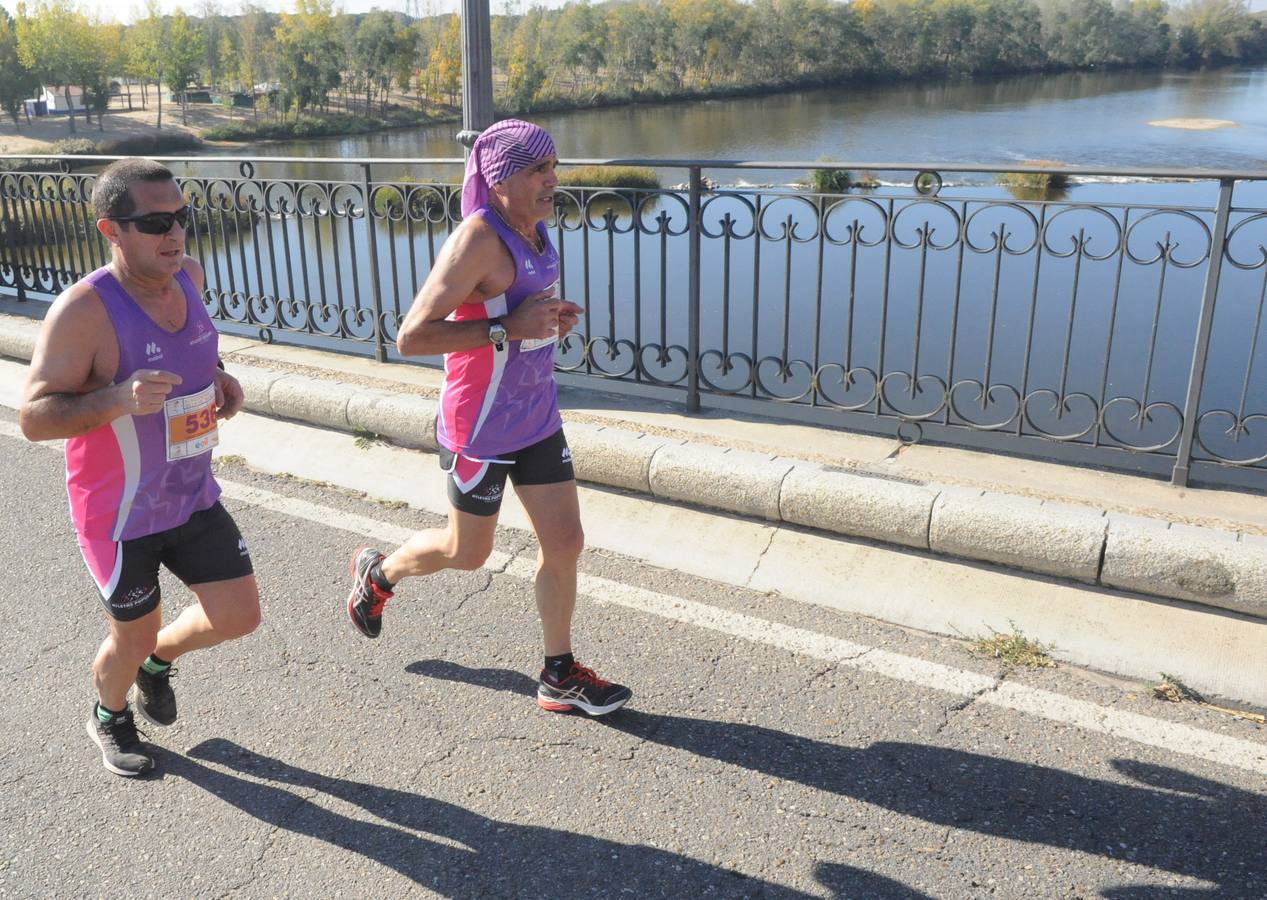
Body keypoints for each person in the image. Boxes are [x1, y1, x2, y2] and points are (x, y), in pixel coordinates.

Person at [346, 119, 631, 716]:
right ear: (500, 179)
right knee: (467, 552)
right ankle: (380, 573)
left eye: (554, 167)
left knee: (567, 541)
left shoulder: (535, 228)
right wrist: (507, 327)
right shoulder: (475, 240)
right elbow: (412, 336)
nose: (554, 181)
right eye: (539, 171)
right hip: (480, 427)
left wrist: (551, 319)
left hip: (537, 416)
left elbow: (522, 310)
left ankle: (558, 674)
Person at [19, 158, 261, 776]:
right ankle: (108, 713)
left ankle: (156, 663)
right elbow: (35, 418)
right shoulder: (84, 311)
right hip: (120, 512)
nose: (174, 233)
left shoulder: (190, 278)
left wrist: (220, 378)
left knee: (239, 616)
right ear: (112, 230)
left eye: (181, 217)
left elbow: (197, 352)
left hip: (190, 492)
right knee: (131, 632)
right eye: (155, 222)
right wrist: (115, 399)